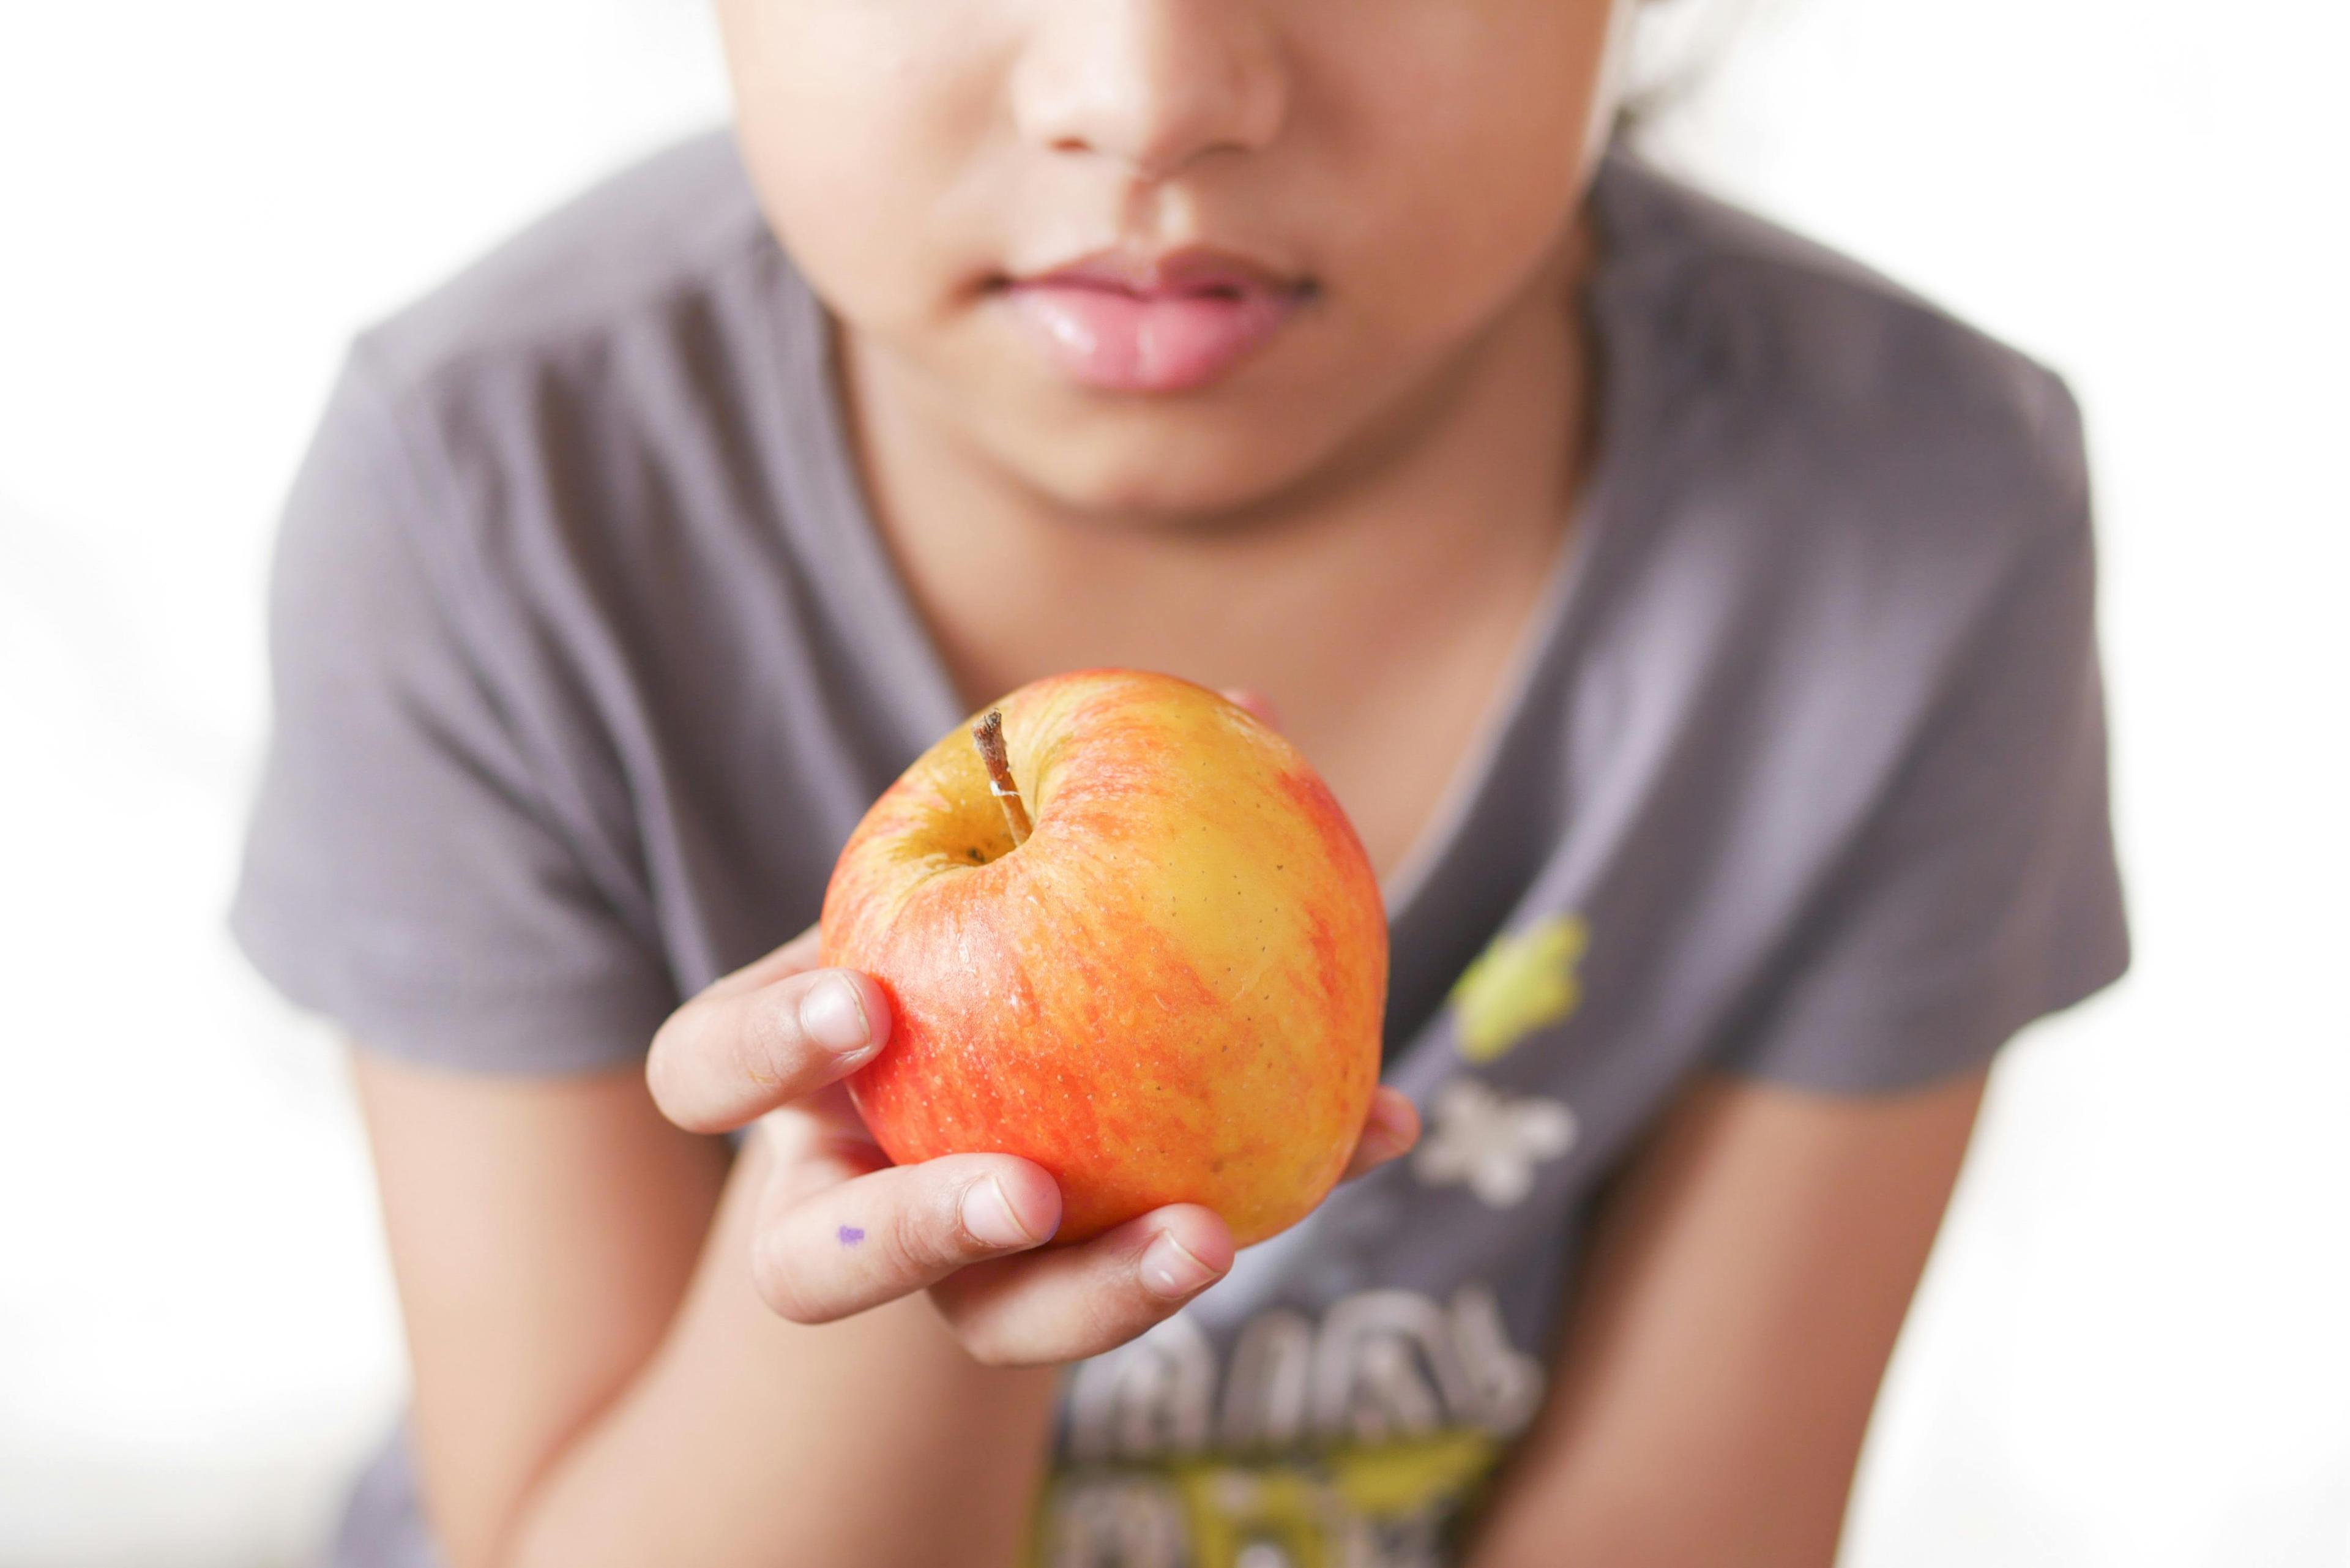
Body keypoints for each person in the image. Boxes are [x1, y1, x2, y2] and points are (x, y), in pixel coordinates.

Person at [227, 0, 2130, 1563]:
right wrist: (900, 1224)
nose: (1147, 98)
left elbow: (1683, 1521)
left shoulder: (1909, 531)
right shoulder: (492, 502)